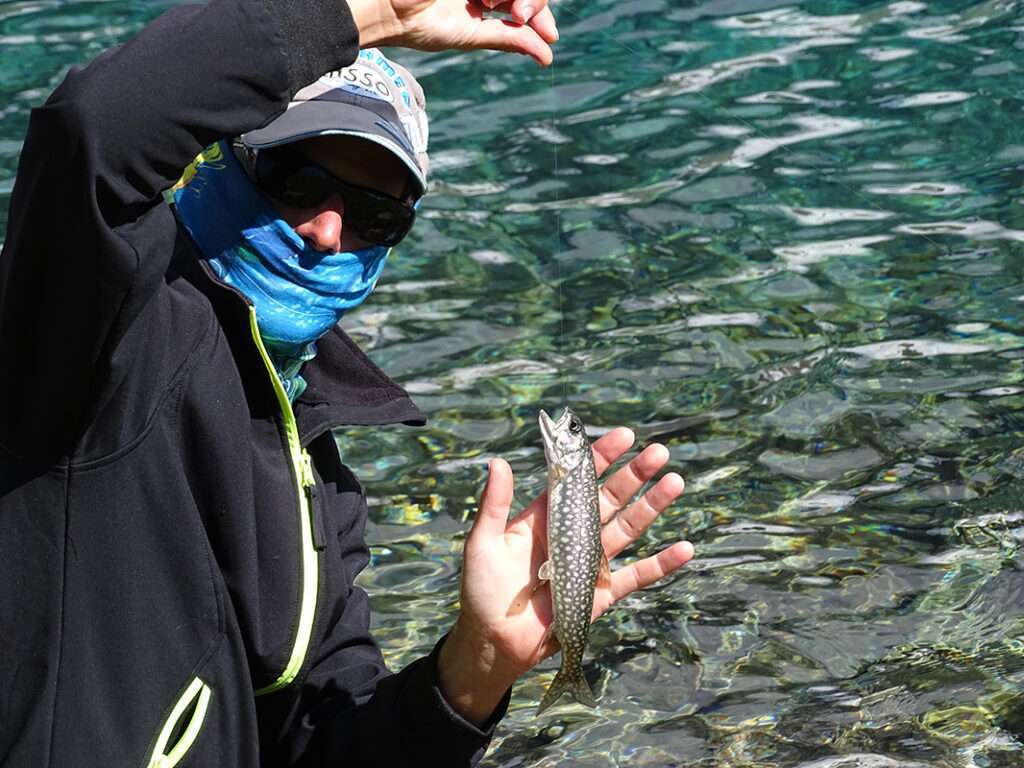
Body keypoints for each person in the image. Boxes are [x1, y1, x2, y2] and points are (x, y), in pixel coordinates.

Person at [0, 0, 694, 765]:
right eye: (296, 180)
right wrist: (372, 11)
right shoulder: (97, 333)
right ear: (218, 160)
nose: (328, 231)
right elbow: (93, 129)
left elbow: (321, 744)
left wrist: (475, 668)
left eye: (374, 214)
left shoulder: (321, 478)